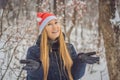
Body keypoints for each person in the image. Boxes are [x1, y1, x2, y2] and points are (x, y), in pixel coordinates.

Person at [20, 12, 99, 80]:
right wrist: (36, 70)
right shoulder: (34, 51)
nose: (55, 27)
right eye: (49, 24)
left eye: (56, 22)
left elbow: (75, 76)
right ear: (44, 30)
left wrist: (80, 61)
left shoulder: (69, 48)